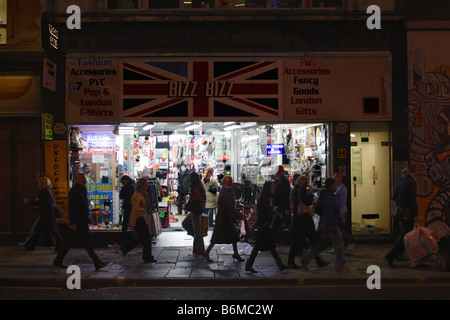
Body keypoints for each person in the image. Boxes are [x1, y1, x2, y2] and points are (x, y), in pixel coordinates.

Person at [53, 173, 105, 269]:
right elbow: (72, 208)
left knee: (73, 242)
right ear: (79, 180)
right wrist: (73, 223)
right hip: (78, 222)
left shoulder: (80, 189)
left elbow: (83, 206)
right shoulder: (75, 191)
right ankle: (97, 262)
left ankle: (58, 260)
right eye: (84, 179)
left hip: (81, 221)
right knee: (82, 242)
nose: (85, 180)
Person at [301, 178, 348, 272]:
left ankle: (306, 258)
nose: (336, 186)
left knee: (323, 245)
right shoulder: (329, 198)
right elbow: (329, 214)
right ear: (330, 186)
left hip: (327, 224)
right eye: (334, 185)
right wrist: (326, 229)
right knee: (339, 245)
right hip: (331, 225)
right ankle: (340, 266)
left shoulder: (326, 196)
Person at [245, 181, 287, 273]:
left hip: (264, 226)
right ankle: (249, 265)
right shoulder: (264, 199)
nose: (273, 189)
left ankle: (280, 264)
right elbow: (264, 212)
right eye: (272, 187)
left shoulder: (265, 198)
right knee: (262, 246)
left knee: (270, 246)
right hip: (263, 227)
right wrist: (272, 210)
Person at [288, 175, 328, 269]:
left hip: (299, 219)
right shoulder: (301, 190)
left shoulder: (295, 190)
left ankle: (316, 260)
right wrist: (310, 192)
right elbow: (308, 201)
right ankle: (316, 260)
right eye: (307, 182)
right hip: (304, 218)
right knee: (311, 239)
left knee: (298, 241)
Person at [204, 176, 243, 263]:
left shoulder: (224, 192)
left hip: (223, 218)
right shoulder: (227, 194)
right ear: (230, 183)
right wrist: (238, 215)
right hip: (225, 219)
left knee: (232, 237)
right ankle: (207, 252)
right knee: (219, 238)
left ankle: (235, 253)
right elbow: (230, 207)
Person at [385, 166, 418, 268]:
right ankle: (391, 255)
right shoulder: (410, 182)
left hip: (399, 211)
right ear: (414, 173)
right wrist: (415, 214)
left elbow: (394, 196)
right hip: (407, 213)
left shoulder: (400, 181)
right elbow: (412, 200)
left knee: (403, 235)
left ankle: (398, 255)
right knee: (406, 236)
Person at [20, 173, 63, 253]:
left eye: (39, 182)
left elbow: (40, 203)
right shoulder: (49, 190)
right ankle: (29, 245)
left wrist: (29, 202)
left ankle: (60, 247)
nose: (38, 184)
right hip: (48, 213)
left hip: (47, 214)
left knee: (53, 231)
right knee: (39, 230)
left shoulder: (44, 191)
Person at [120, 178, 157, 262]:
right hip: (138, 219)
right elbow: (134, 209)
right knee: (146, 238)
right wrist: (132, 222)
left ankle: (125, 247)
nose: (147, 185)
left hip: (141, 218)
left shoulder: (142, 194)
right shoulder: (137, 195)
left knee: (142, 238)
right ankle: (147, 256)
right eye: (145, 184)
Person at [182, 172, 207, 256]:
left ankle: (199, 248)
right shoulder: (200, 185)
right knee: (189, 224)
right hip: (198, 208)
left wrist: (191, 195)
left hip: (195, 208)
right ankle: (198, 242)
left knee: (197, 229)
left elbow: (198, 198)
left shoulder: (195, 186)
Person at [108, 175, 135, 251]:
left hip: (127, 207)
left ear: (126, 181)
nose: (122, 183)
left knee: (125, 225)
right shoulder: (133, 187)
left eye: (123, 182)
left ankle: (121, 243)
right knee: (128, 225)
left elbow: (121, 196)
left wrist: (122, 190)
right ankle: (124, 242)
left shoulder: (125, 188)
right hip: (131, 208)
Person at [333, 173, 356, 250]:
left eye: (336, 177)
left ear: (340, 178)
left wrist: (343, 213)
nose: (335, 179)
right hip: (338, 211)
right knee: (339, 230)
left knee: (340, 230)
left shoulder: (342, 189)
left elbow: (343, 202)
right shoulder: (338, 188)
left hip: (341, 211)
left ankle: (350, 241)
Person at [271, 165, 291, 231]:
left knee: (282, 223)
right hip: (279, 206)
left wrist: (286, 208)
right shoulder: (280, 181)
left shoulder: (283, 181)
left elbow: (286, 195)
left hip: (281, 206)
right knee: (278, 223)